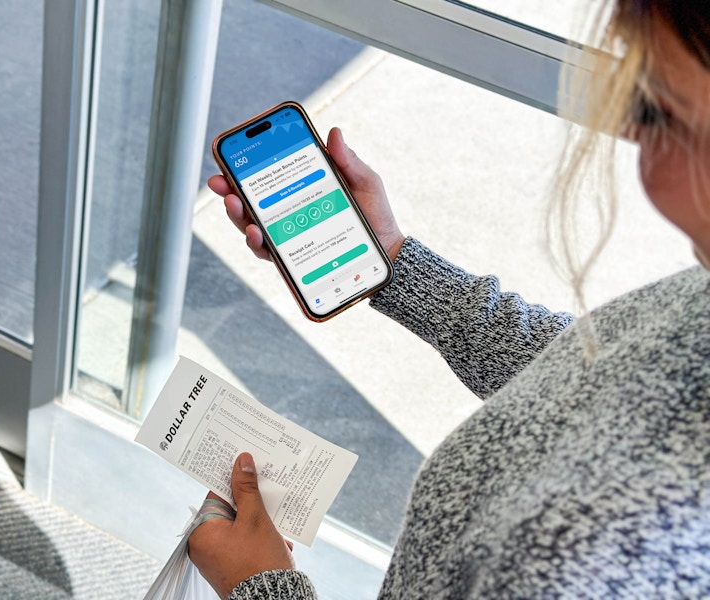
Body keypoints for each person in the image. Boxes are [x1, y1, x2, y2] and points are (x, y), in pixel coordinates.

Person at [189, 0, 710, 597]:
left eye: (655, 106)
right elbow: (593, 366)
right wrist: (394, 261)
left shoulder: (599, 554)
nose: (629, 131)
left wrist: (261, 587)